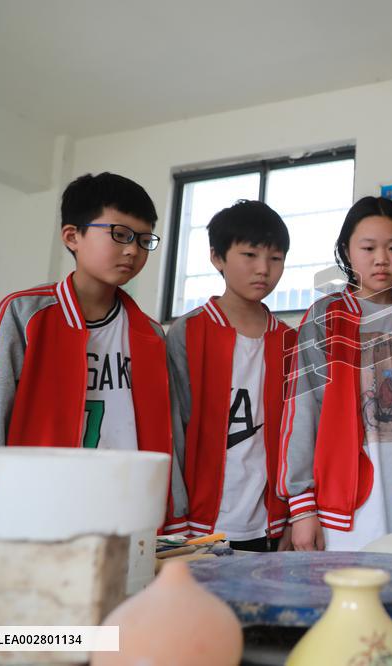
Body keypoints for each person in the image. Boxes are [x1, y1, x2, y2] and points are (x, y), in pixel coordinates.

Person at [0, 171, 184, 533]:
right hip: (36, 513)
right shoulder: (24, 314)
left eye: (144, 240)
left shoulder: (151, 333)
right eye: (120, 235)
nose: (133, 250)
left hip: (126, 512)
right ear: (72, 236)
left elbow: (165, 431)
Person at [278, 196, 392, 551]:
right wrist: (301, 508)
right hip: (346, 508)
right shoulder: (324, 318)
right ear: (347, 251)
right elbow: (301, 413)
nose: (382, 258)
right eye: (368, 247)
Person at [168, 200, 294, 550]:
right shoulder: (188, 333)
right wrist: (174, 520)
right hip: (200, 524)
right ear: (217, 257)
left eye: (275, 258)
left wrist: (292, 515)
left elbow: (297, 436)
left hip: (269, 524)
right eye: (250, 255)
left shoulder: (289, 340)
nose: (263, 270)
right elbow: (174, 431)